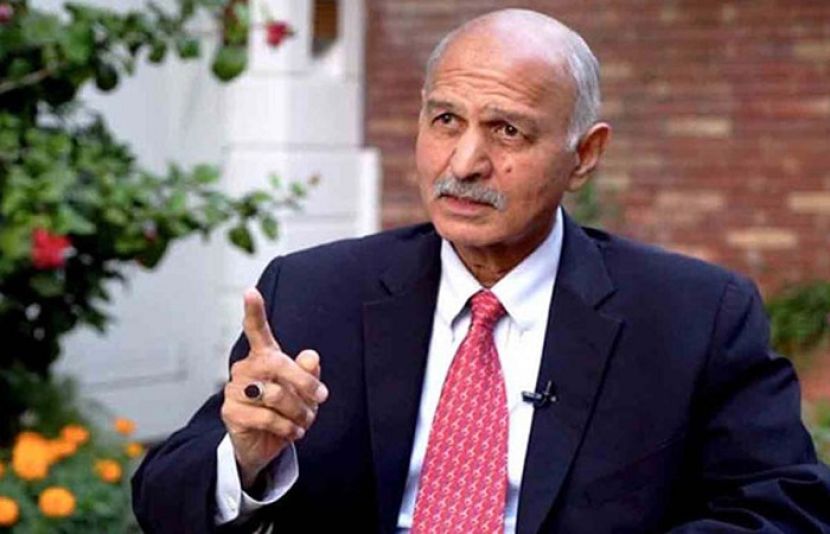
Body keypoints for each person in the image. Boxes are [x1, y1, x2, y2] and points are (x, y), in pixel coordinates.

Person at [132, 8, 830, 534]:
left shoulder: (694, 317)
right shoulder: (317, 293)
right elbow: (163, 500)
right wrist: (245, 458)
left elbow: (785, 507)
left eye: (507, 130)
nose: (464, 164)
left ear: (584, 155)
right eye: (445, 120)